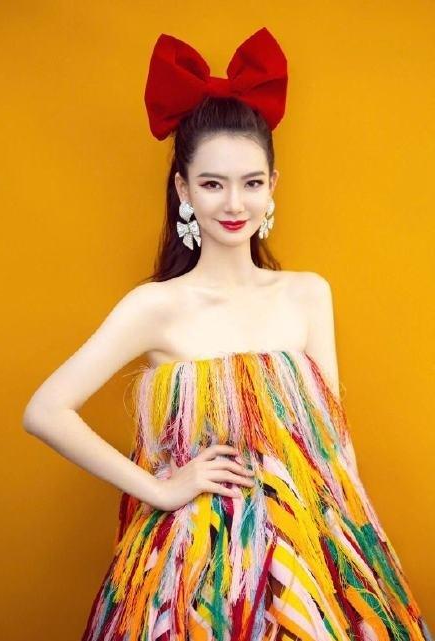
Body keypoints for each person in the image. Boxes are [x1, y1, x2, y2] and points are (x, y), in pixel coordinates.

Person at [22, 28, 432, 641]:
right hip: (195, 572)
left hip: (310, 559)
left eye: (251, 182)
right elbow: (45, 410)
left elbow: (333, 441)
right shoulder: (155, 306)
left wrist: (363, 558)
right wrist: (161, 490)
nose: (234, 203)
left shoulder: (307, 293)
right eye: (213, 183)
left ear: (273, 186)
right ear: (183, 189)